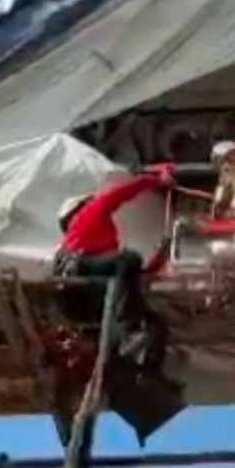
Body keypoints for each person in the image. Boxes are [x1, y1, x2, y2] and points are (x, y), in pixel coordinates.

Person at [51, 163, 183, 442]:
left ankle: (147, 375)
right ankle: (128, 329)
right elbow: (118, 194)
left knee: (155, 325)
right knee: (128, 261)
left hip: (85, 299)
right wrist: (156, 179)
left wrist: (160, 259)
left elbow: (130, 278)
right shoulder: (87, 217)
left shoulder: (100, 248)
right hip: (75, 276)